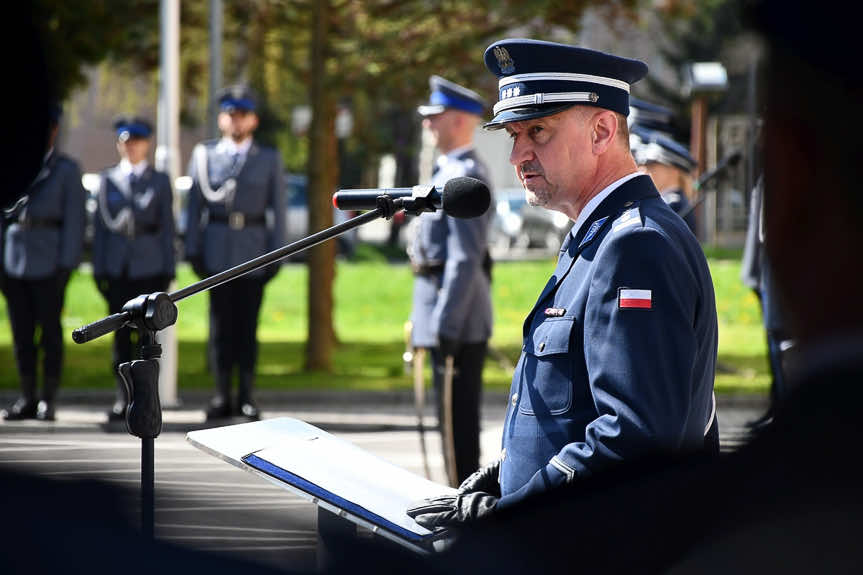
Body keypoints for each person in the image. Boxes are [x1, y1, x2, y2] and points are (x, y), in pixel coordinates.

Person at [407, 38, 718, 528]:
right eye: (513, 134)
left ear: (602, 130)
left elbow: (636, 436)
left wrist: (516, 509)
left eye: (538, 131)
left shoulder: (634, 244)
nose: (518, 155)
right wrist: (505, 474)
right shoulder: (599, 235)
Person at [409, 75, 494, 485]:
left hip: (457, 314)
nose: (428, 125)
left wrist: (446, 323)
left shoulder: (465, 177)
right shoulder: (446, 169)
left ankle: (469, 517)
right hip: (441, 303)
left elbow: (465, 257)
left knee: (458, 429)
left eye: (435, 117)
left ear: (460, 121)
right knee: (447, 426)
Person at [184, 84, 286, 422]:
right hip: (217, 252)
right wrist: (194, 250)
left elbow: (279, 212)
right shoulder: (205, 156)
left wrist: (276, 256)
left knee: (247, 329)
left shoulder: (268, 158)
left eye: (242, 115)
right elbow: (194, 207)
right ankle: (220, 394)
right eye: (230, 115)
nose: (235, 121)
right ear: (221, 119)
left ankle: (246, 394)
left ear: (253, 120)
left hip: (253, 253)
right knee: (219, 329)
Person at [0, 103, 86, 422]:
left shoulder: (65, 170)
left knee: (49, 334)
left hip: (49, 261)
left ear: (53, 131)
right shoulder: (12, 165)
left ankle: (48, 399)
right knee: (22, 335)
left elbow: (75, 221)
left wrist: (66, 265)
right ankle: (27, 397)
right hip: (15, 259)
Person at [92, 116, 176, 423]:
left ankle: (147, 399)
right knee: (119, 340)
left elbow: (167, 227)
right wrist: (100, 268)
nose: (131, 148)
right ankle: (122, 397)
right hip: (118, 269)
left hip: (149, 268)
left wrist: (168, 267)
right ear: (119, 144)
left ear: (147, 144)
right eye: (126, 142)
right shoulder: (108, 179)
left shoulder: (158, 180)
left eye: (137, 142)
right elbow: (101, 229)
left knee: (148, 341)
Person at [630, 127, 698, 234]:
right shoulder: (669, 203)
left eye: (652, 166)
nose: (643, 170)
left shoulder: (673, 206)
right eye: (642, 165)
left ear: (674, 171)